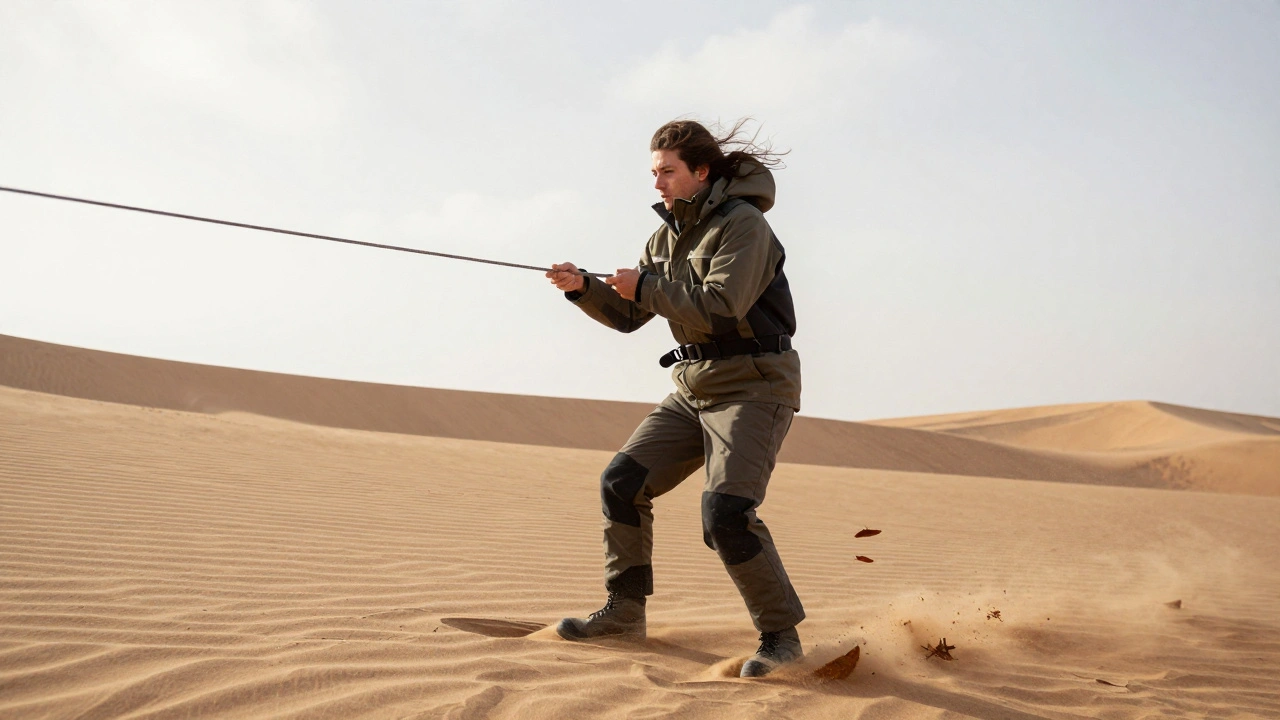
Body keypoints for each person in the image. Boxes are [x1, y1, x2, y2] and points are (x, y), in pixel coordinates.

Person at [545, 119, 804, 678]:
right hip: (695, 387)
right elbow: (632, 317)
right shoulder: (662, 239)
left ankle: (781, 638)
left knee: (726, 513)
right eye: (654, 172)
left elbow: (721, 305)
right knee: (622, 482)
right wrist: (584, 288)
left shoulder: (745, 225)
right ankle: (624, 613)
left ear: (701, 172)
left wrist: (647, 287)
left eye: (668, 172)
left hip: (756, 385)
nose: (658, 183)